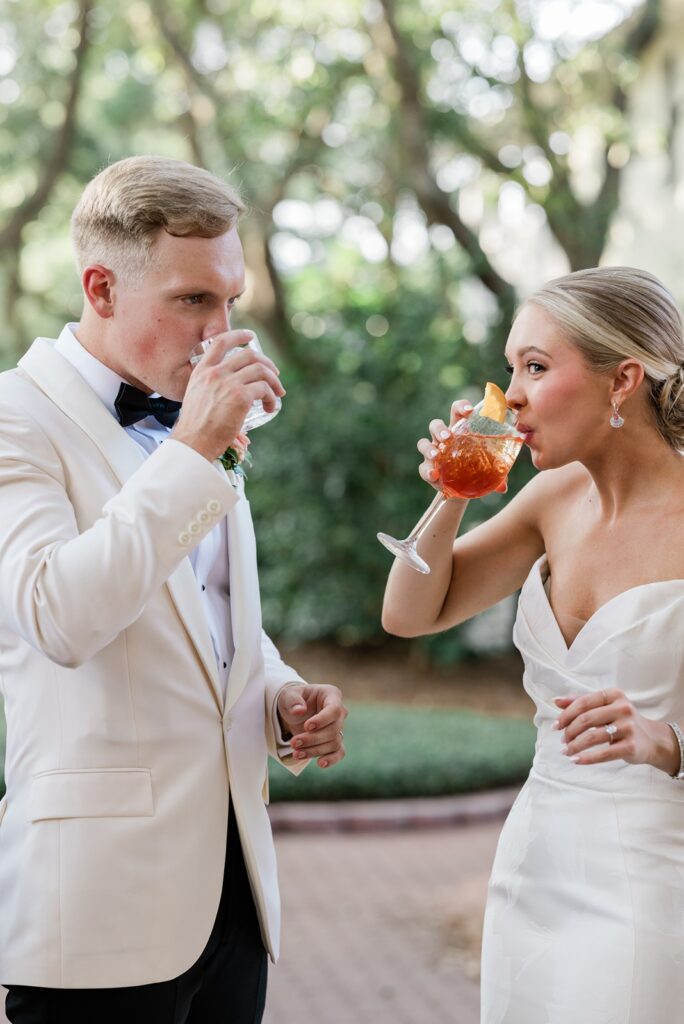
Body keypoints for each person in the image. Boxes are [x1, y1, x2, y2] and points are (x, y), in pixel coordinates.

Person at [0, 155, 347, 1024]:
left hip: (233, 899)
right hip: (98, 908)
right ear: (102, 288)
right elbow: (57, 615)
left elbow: (208, 614)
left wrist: (277, 692)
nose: (219, 332)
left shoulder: (197, 420)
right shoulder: (17, 416)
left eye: (231, 302)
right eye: (194, 301)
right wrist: (194, 451)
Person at [382, 265, 684, 1023]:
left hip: (653, 871)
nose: (509, 393)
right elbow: (409, 615)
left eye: (537, 368)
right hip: (533, 863)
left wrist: (664, 741)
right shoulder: (551, 500)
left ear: (623, 381)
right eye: (512, 366)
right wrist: (452, 495)